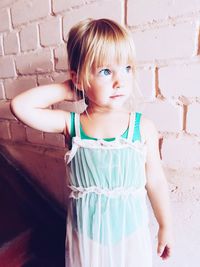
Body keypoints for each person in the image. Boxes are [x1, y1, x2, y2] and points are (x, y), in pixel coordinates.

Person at [10, 18, 173, 267]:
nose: (120, 81)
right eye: (106, 71)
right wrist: (70, 89)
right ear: (80, 78)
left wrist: (165, 225)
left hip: (130, 236)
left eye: (127, 68)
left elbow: (156, 180)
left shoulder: (142, 128)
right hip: (86, 240)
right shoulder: (72, 124)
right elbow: (20, 106)